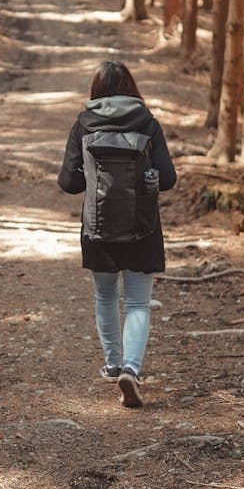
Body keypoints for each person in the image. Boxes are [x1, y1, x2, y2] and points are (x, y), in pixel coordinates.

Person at [58, 60, 177, 407]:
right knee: (138, 301)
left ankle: (112, 364)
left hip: (98, 227)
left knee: (106, 296)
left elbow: (68, 183)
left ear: (95, 90)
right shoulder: (148, 123)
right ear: (132, 87)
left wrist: (93, 176)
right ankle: (131, 369)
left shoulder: (83, 124)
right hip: (142, 226)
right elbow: (167, 180)